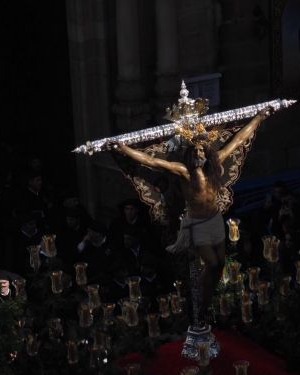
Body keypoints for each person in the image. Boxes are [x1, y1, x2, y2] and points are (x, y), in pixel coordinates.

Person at [108, 106, 273, 356]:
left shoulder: (215, 167)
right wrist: (123, 149)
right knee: (211, 263)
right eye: (194, 151)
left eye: (201, 151)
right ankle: (201, 311)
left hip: (215, 220)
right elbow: (152, 161)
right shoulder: (184, 172)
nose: (198, 154)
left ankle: (205, 306)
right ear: (189, 155)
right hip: (196, 224)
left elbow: (238, 140)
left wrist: (259, 118)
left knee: (219, 265)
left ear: (207, 153)